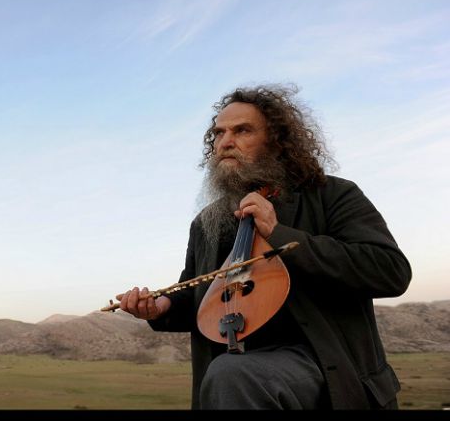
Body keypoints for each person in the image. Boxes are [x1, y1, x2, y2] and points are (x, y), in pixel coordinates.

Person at [118, 84, 412, 410]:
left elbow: (390, 271)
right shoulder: (206, 223)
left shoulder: (332, 195)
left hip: (326, 369)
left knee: (232, 375)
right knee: (230, 374)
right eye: (218, 133)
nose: (225, 142)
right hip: (234, 375)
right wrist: (163, 307)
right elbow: (201, 296)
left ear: (276, 141)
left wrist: (278, 234)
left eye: (242, 130)